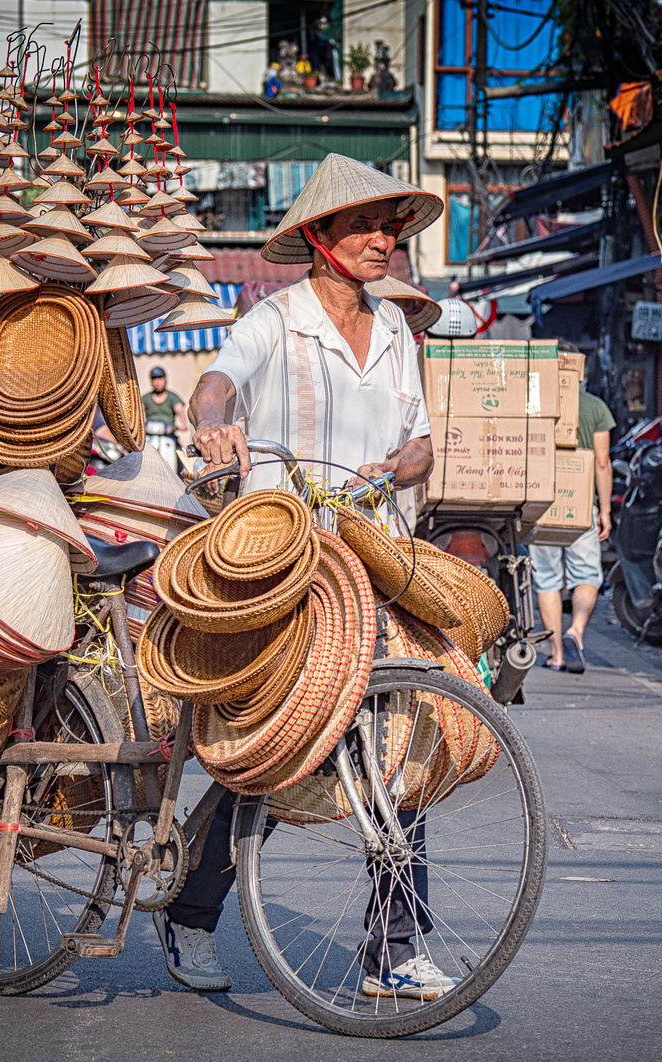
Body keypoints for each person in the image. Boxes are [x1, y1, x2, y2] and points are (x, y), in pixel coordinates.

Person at [159, 152, 446, 998]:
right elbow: (213, 388)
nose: (380, 240)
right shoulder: (273, 318)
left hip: (375, 559)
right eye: (361, 225)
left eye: (388, 226)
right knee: (282, 754)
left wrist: (407, 461)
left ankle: (393, 949)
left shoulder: (396, 329)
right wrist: (214, 428)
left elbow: (424, 437)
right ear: (318, 239)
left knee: (399, 742)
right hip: (283, 565)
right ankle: (189, 910)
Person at [529, 388, 615, 673]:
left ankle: (556, 656)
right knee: (587, 574)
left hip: (541, 501)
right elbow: (602, 462)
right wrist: (605, 510)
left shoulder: (535, 401)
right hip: (580, 501)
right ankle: (576, 630)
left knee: (547, 579)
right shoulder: (596, 407)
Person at [144, 365, 188, 442]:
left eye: (160, 378)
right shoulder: (145, 398)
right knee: (132, 452)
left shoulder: (173, 397)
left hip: (169, 435)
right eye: (154, 379)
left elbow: (179, 409)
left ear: (165, 379)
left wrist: (183, 425)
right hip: (149, 436)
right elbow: (138, 410)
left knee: (180, 451)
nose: (157, 382)